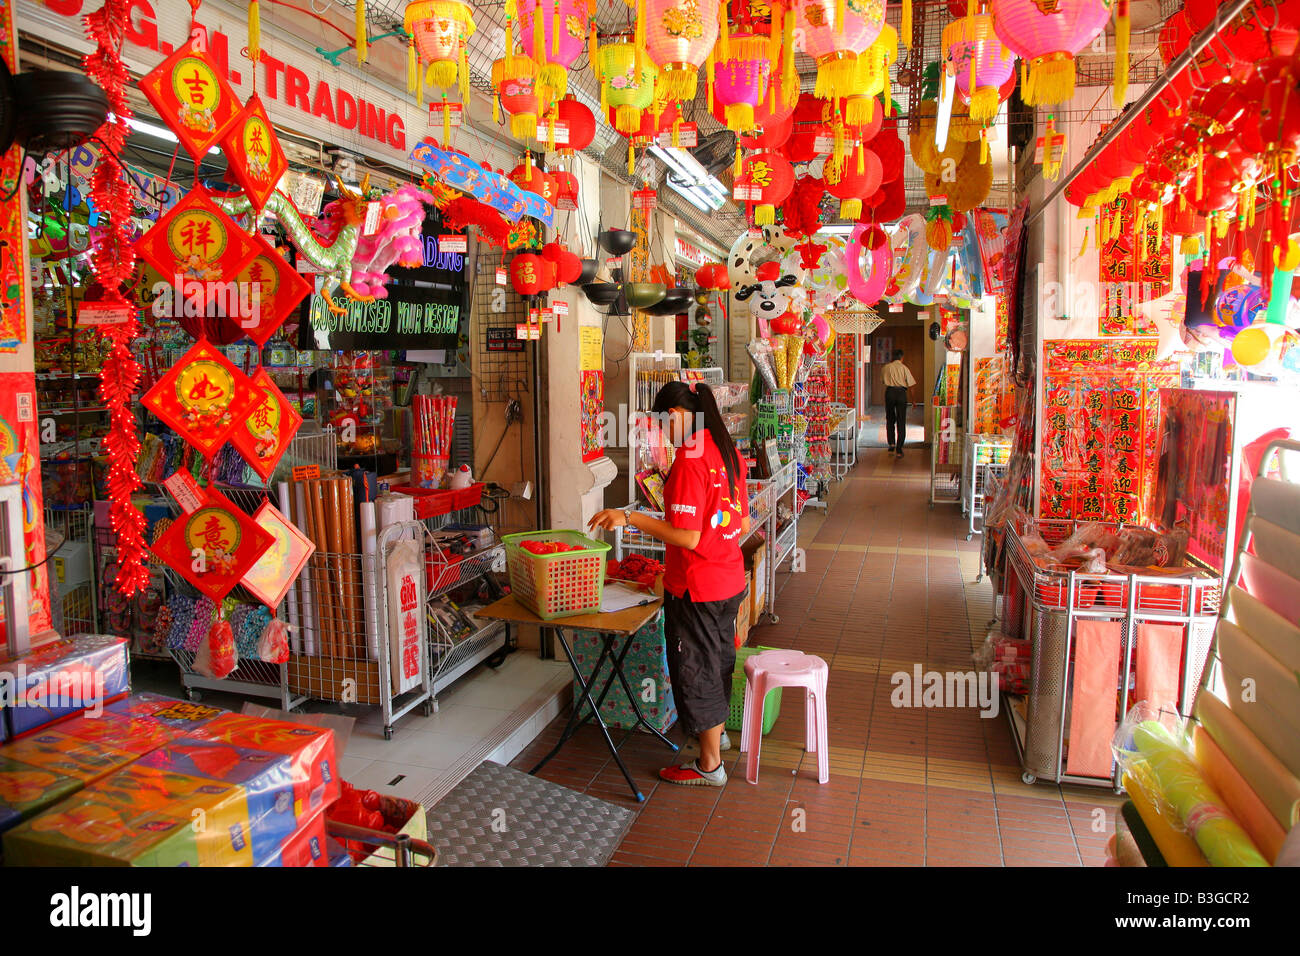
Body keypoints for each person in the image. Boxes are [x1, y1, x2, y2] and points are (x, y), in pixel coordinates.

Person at [589, 381, 750, 787]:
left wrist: (631, 518)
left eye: (663, 425)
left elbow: (687, 536)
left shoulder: (690, 460)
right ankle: (718, 738)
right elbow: (742, 523)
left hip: (697, 587)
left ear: (676, 416)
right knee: (717, 663)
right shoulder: (726, 450)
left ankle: (709, 765)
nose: (663, 434)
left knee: (696, 671)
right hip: (729, 579)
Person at [882, 348, 916, 458]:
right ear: (902, 357)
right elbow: (911, 386)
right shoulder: (904, 368)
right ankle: (899, 448)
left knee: (890, 418)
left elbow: (883, 381)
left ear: (893, 357)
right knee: (901, 420)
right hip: (901, 393)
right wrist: (913, 400)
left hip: (890, 392)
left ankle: (891, 443)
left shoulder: (886, 367)